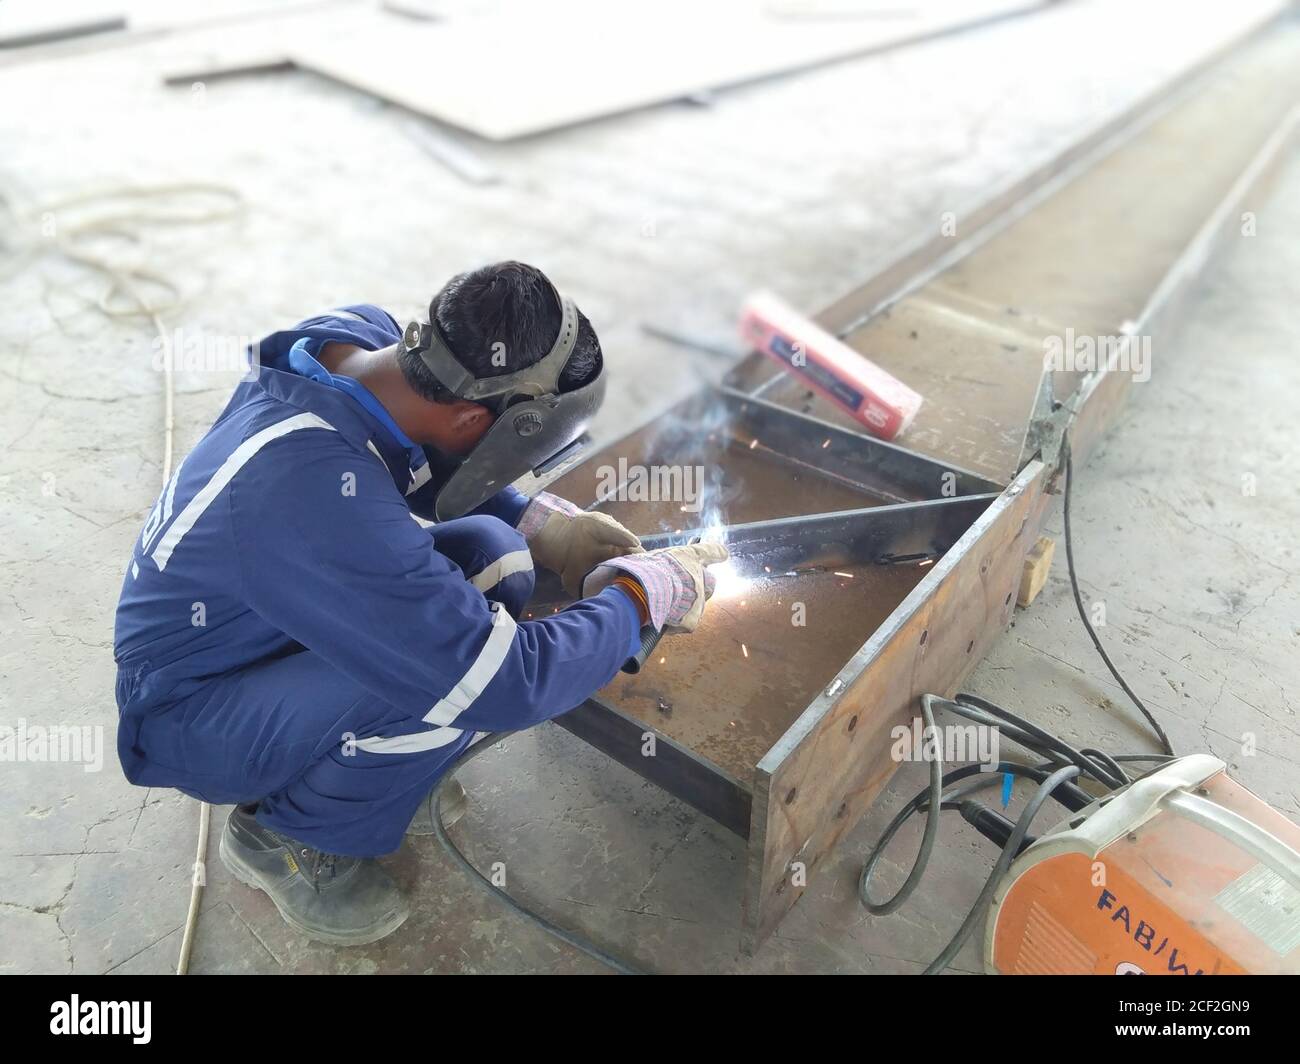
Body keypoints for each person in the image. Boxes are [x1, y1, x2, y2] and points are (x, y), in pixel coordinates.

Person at [113, 261, 727, 944]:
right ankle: (282, 838)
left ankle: (372, 770)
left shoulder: (361, 345)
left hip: (258, 628)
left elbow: (429, 460)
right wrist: (643, 595)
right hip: (190, 709)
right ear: (470, 415)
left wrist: (544, 524)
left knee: (498, 555)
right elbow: (505, 683)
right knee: (444, 693)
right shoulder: (310, 489)